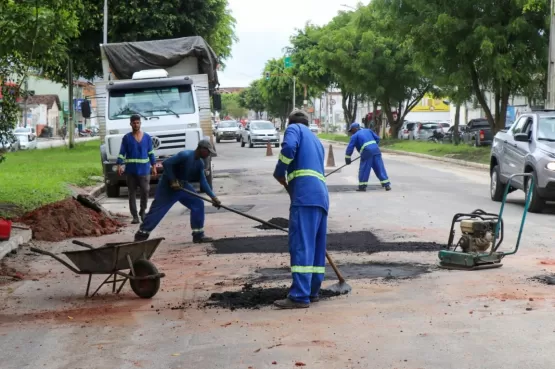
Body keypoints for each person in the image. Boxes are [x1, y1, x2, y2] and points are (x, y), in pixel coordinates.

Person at [272, 109, 329, 309]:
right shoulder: (316, 139)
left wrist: (280, 171)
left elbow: (288, 149)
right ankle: (312, 291)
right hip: (321, 196)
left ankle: (299, 296)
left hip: (304, 196)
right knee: (315, 246)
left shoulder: (294, 129)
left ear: (291, 123)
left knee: (302, 245)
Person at [134, 139, 221, 243]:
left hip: (183, 186)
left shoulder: (200, 163)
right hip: (167, 187)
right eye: (208, 152)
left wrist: (213, 197)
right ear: (202, 149)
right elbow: (166, 163)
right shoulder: (185, 155)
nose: (209, 154)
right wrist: (172, 180)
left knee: (198, 204)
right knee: (158, 210)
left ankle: (198, 235)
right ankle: (142, 234)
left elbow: (203, 182)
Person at [116, 114, 157, 224]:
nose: (136, 124)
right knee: (131, 194)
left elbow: (151, 153)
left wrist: (154, 166)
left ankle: (142, 212)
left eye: (138, 122)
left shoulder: (147, 137)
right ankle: (135, 216)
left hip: (144, 171)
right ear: (131, 124)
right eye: (134, 122)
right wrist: (119, 165)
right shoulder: (127, 138)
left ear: (140, 123)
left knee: (145, 191)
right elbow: (122, 153)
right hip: (131, 171)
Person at [345, 122, 391, 192]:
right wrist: (373, 147)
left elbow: (350, 147)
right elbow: (377, 139)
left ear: (354, 129)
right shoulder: (368, 130)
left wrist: (347, 157)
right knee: (379, 168)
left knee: (364, 169)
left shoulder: (355, 136)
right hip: (376, 150)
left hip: (367, 152)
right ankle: (386, 185)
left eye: (351, 131)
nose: (351, 133)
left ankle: (362, 187)